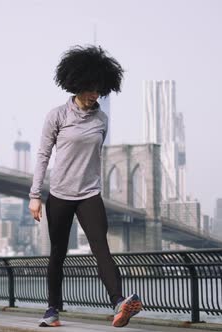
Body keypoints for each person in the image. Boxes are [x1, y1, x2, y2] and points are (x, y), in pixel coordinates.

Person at [29, 45, 142, 328]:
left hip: (90, 194)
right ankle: (53, 309)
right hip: (60, 195)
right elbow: (43, 155)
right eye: (90, 89)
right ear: (76, 84)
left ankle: (119, 303)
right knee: (58, 254)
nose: (95, 95)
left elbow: (92, 157)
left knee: (101, 247)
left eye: (100, 90)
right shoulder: (57, 116)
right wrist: (34, 196)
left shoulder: (102, 120)